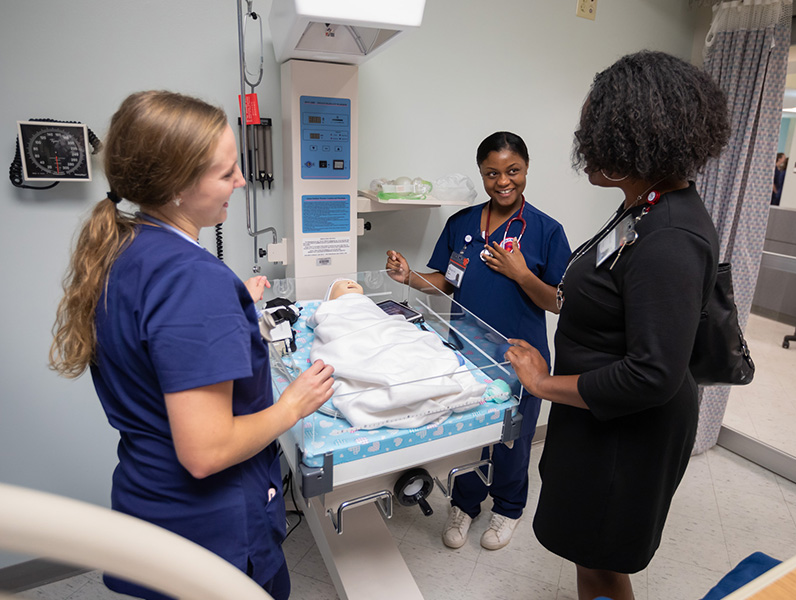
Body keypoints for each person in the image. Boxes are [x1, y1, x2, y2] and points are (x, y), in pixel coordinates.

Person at [48, 91, 335, 600]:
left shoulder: (128, 246)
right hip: (213, 529)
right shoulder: (192, 281)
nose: (242, 181)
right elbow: (206, 451)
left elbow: (157, 341)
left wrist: (232, 305)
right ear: (178, 186)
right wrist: (293, 406)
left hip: (154, 507)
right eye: (227, 174)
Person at [505, 51, 729, 600]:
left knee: (602, 558)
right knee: (590, 552)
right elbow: (598, 293)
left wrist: (540, 384)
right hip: (596, 413)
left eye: (594, 128)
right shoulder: (645, 207)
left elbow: (651, 374)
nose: (585, 141)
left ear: (631, 138)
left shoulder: (673, 236)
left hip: (629, 431)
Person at [386, 131, 571, 551]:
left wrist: (521, 274)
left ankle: (507, 508)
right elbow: (446, 283)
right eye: (492, 173)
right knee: (465, 431)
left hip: (519, 356)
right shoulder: (462, 225)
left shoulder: (545, 231)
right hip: (465, 351)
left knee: (512, 436)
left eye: (513, 171)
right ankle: (465, 503)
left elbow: (560, 302)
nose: (503, 181)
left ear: (526, 169)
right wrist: (408, 276)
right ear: (482, 174)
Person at [306, 278, 488, 429]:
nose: (348, 282)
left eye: (351, 281)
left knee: (405, 345)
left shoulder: (371, 306)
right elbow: (320, 324)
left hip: (386, 331)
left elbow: (391, 323)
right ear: (329, 298)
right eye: (340, 284)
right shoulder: (330, 309)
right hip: (353, 334)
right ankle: (414, 388)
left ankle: (420, 383)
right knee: (370, 354)